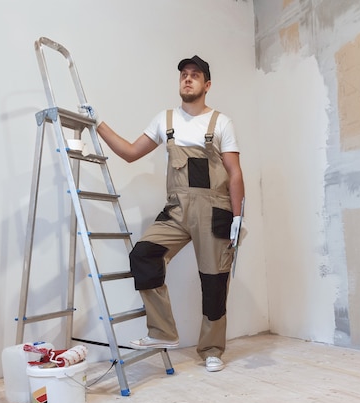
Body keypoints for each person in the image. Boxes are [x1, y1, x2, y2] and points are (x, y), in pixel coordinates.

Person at [83, 55, 244, 372]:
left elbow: (234, 172)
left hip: (215, 210)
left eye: (195, 75)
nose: (187, 79)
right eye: (184, 74)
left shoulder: (221, 123)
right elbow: (130, 152)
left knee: (214, 282)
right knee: (143, 255)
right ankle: (163, 332)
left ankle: (212, 349)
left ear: (206, 85)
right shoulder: (165, 119)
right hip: (177, 208)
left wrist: (238, 217)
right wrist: (97, 123)